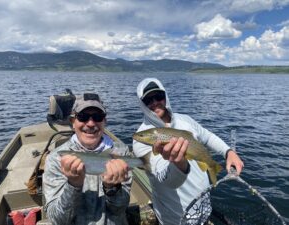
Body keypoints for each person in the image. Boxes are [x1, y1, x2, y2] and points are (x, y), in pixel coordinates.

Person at [133, 78, 244, 225]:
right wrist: (179, 164)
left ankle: (212, 166)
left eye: (158, 96)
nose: (154, 103)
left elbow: (207, 136)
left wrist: (228, 152)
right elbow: (165, 178)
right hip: (175, 218)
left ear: (165, 96)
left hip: (203, 207)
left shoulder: (185, 120)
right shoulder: (140, 139)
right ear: (142, 105)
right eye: (148, 100)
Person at [43, 93, 131, 225]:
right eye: (83, 117)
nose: (90, 123)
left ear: (104, 121)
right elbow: (58, 220)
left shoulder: (121, 152)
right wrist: (73, 185)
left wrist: (112, 189)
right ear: (73, 122)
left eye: (97, 117)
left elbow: (119, 210)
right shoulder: (56, 158)